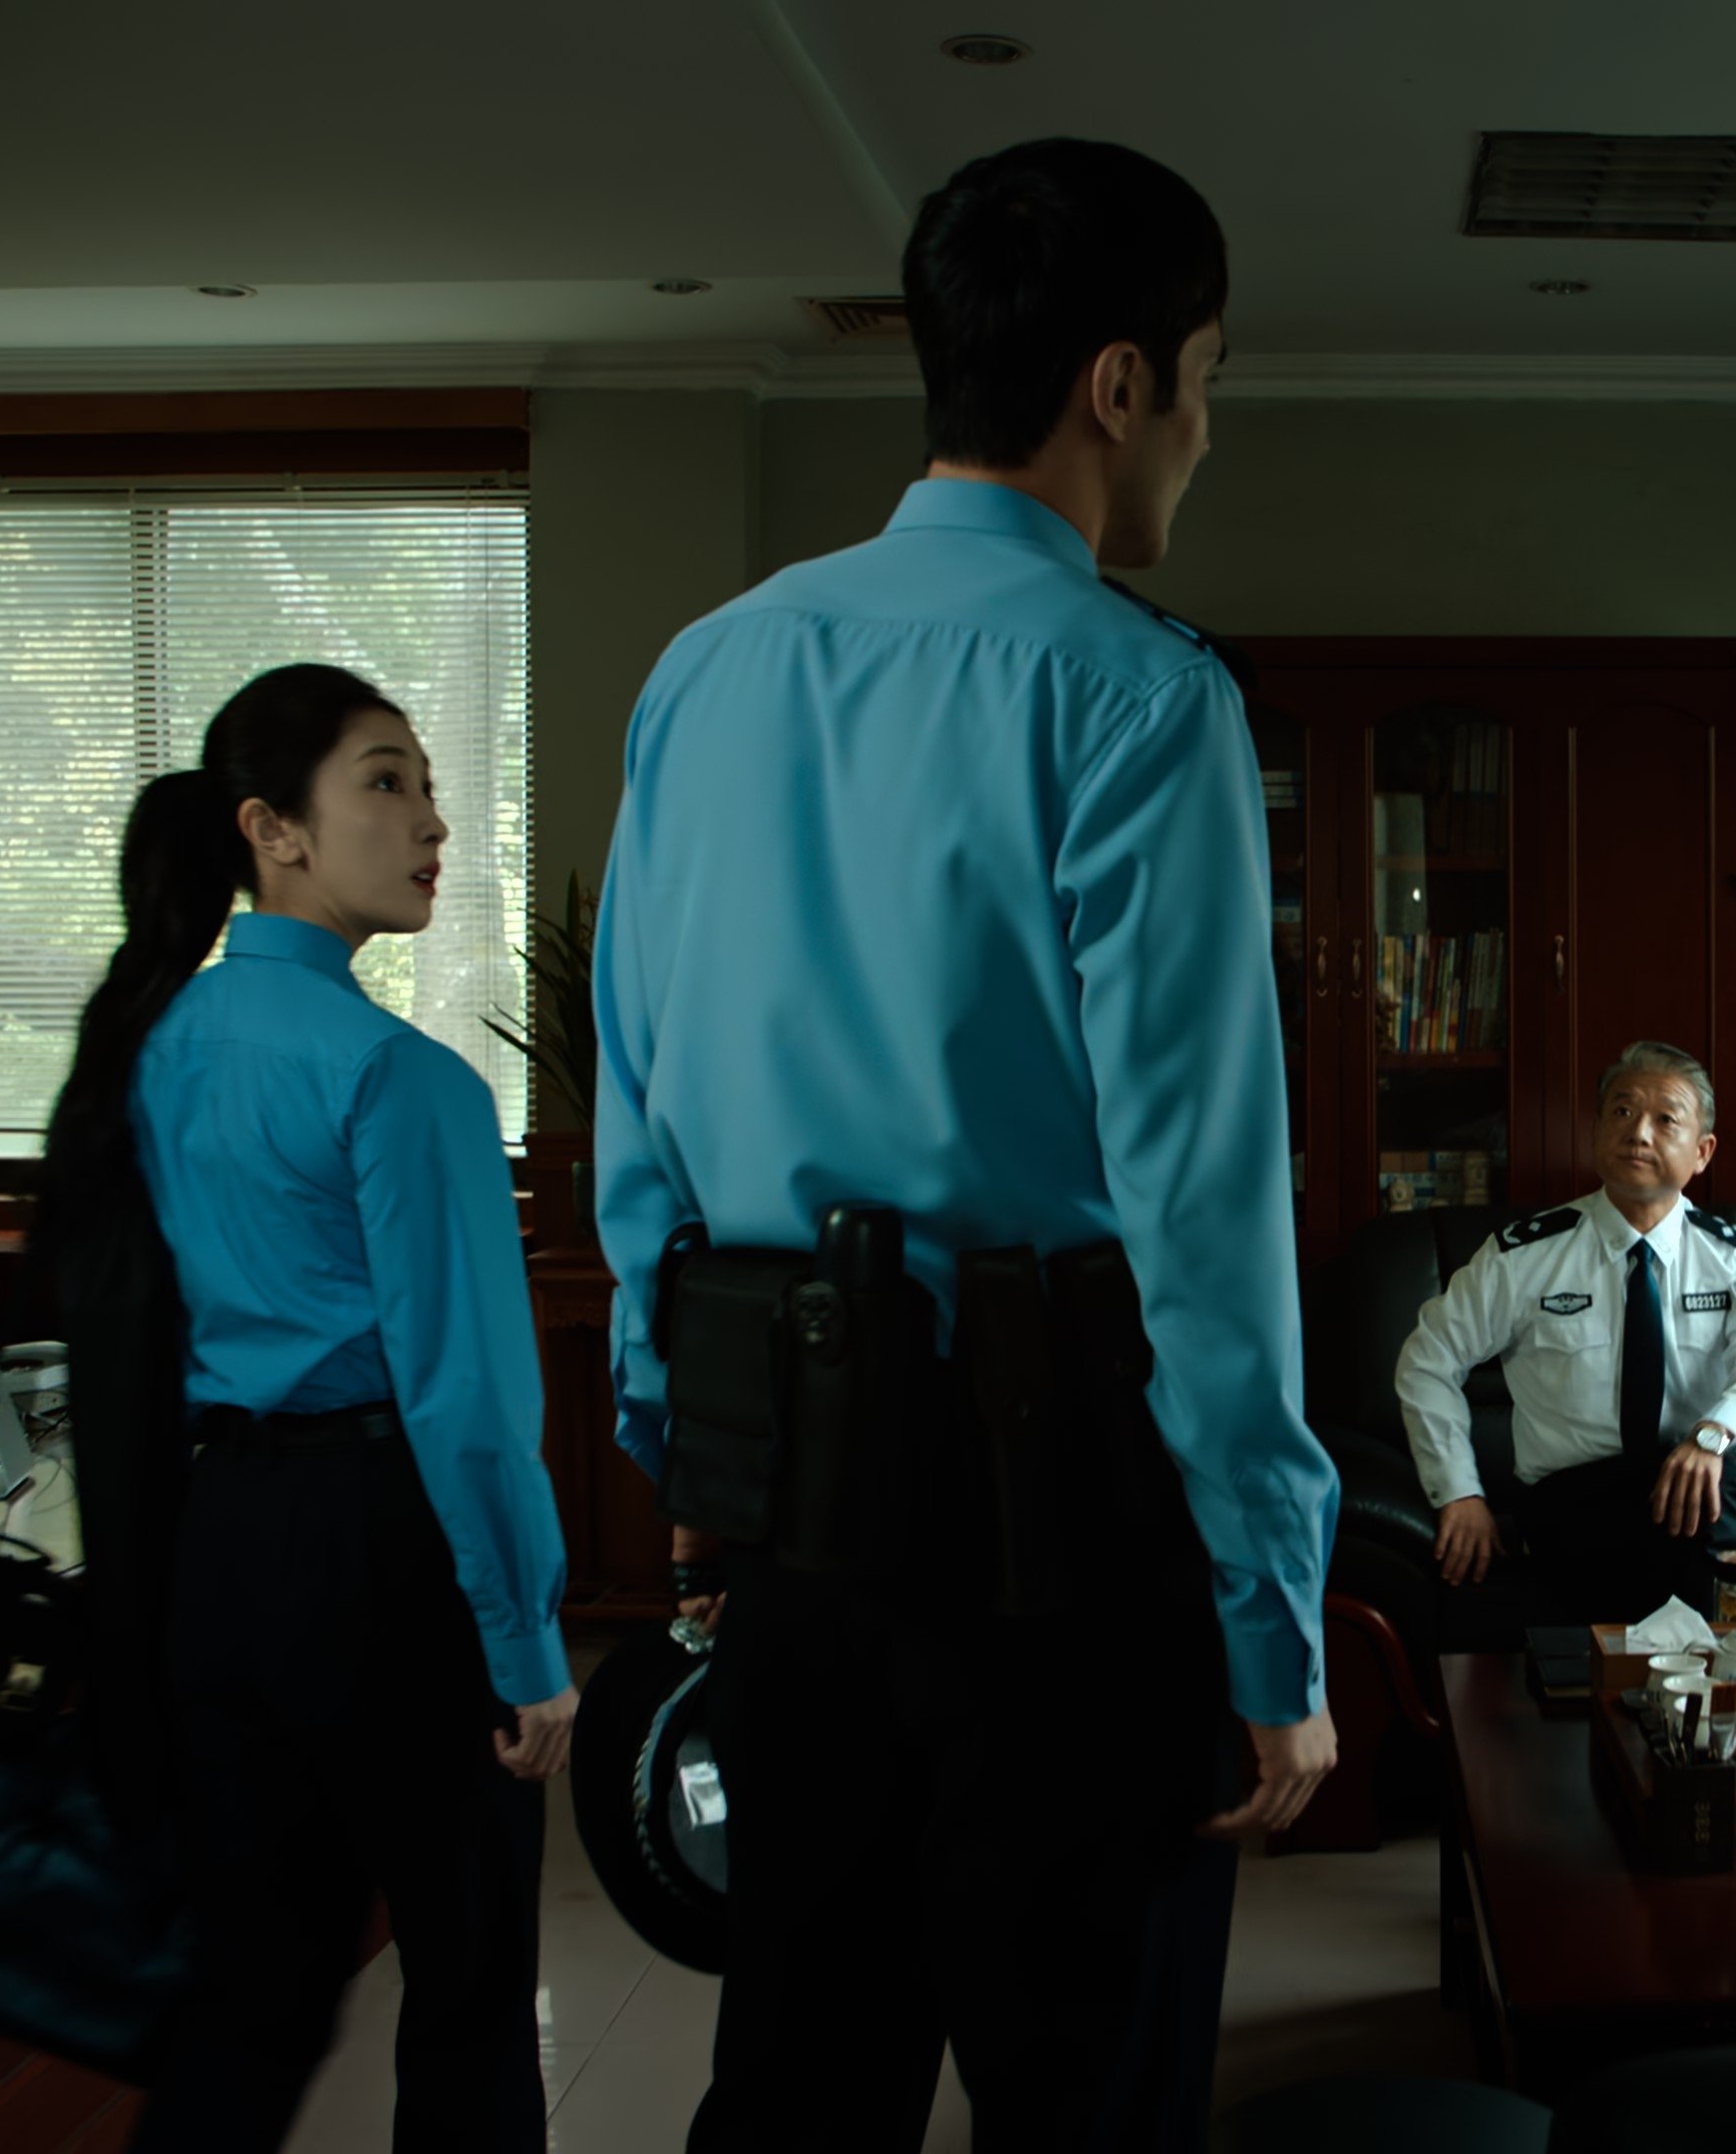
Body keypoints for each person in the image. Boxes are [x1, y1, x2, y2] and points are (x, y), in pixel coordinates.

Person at [587, 138, 1340, 2153]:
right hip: (1067, 1531)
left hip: (803, 1507)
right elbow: (1202, 1216)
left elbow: (635, 1117)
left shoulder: (704, 673)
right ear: (1120, 384)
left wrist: (700, 1458)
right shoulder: (1139, 699)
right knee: (1087, 2106)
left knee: (798, 2099)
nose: (1203, 434)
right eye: (1204, 383)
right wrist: (1271, 1620)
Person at [43, 662, 576, 2153]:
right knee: (467, 1995)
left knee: (251, 2002)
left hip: (218, 1546)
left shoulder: (149, 1045)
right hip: (386, 1548)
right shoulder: (402, 1078)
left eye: (429, 786)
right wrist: (528, 1647)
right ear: (269, 829)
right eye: (386, 781)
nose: (434, 822)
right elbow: (467, 1397)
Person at [1395, 1042, 1736, 1620]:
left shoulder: (1735, 1258)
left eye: (1665, 1120)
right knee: (1728, 1521)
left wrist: (1711, 1437)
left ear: (1702, 1152)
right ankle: (1712, 1657)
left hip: (1701, 1482)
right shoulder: (1525, 1257)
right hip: (1577, 1499)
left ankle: (1653, 1660)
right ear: (1595, 1131)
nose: (1638, 1133)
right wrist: (1458, 1491)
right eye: (1622, 1111)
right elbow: (1427, 1361)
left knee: (1724, 1495)